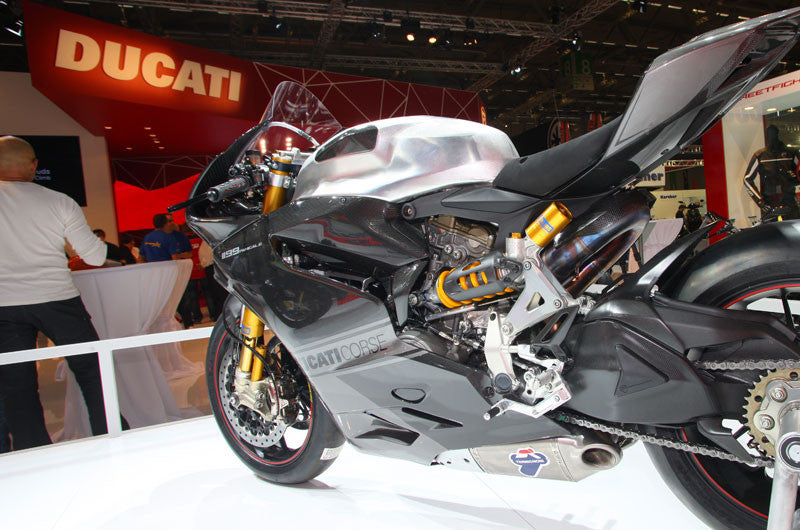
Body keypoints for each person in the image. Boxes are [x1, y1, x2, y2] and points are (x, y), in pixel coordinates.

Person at [0, 136, 109, 450]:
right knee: (91, 371)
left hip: (4, 304)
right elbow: (95, 257)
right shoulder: (59, 201)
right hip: (57, 298)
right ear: (33, 165)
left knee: (17, 383)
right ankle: (111, 435)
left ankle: (32, 450)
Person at [743, 124, 800, 222]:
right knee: (771, 230)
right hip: (769, 204)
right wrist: (760, 201)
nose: (772, 137)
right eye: (769, 134)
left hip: (789, 202)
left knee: (793, 230)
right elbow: (747, 180)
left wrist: (793, 180)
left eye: (773, 134)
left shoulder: (791, 153)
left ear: (778, 134)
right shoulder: (760, 155)